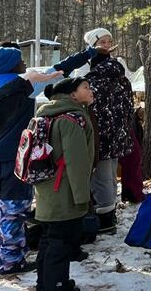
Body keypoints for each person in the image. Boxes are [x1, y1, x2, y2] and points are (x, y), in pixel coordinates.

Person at [0, 47, 62, 274]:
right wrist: (87, 54)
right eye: (20, 60)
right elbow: (55, 70)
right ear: (11, 65)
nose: (25, 64)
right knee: (13, 210)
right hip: (13, 160)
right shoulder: (20, 87)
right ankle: (11, 262)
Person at [35, 77, 95, 291]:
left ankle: (45, 283)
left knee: (48, 239)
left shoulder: (45, 115)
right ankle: (57, 286)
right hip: (66, 190)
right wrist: (82, 198)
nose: (91, 90)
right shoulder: (72, 120)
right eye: (86, 87)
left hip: (45, 190)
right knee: (60, 242)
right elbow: (77, 163)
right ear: (72, 94)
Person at [83, 28, 134, 234]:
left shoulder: (94, 78)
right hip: (117, 133)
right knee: (110, 175)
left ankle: (105, 219)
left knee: (102, 176)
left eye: (108, 41)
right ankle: (108, 212)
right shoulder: (119, 73)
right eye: (101, 42)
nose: (105, 45)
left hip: (100, 134)